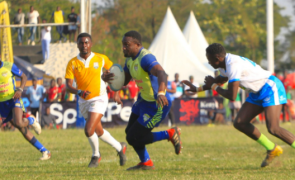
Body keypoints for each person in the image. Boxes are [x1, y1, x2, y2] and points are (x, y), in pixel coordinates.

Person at [183, 43, 295, 167]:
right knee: (240, 122)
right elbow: (219, 80)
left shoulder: (232, 65)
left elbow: (231, 95)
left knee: (273, 128)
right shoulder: (224, 63)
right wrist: (197, 89)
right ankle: (272, 148)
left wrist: (213, 86)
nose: (208, 62)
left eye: (209, 60)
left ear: (217, 58)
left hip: (269, 87)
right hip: (256, 92)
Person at [104, 31, 182, 170]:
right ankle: (145, 162)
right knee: (130, 132)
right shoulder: (129, 60)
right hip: (142, 101)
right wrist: (112, 84)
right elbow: (124, 80)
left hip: (157, 104)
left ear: (137, 45)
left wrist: (161, 92)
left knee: (133, 137)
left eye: (127, 45)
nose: (123, 48)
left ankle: (169, 134)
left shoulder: (145, 58)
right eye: (123, 45)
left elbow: (161, 72)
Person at [65, 33, 127, 168]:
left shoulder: (100, 58)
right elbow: (68, 86)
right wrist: (78, 91)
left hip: (99, 98)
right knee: (98, 132)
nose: (84, 45)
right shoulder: (72, 63)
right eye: (81, 43)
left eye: (86, 42)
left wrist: (116, 93)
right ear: (77, 45)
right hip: (83, 101)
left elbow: (117, 74)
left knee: (88, 130)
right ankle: (120, 147)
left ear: (91, 44)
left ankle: (96, 156)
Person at [0, 47, 50, 160]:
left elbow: (24, 76)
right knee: (19, 128)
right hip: (2, 103)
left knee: (19, 123)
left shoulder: (8, 66)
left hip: (13, 98)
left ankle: (31, 120)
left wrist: (20, 89)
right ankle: (45, 151)